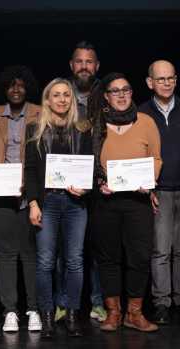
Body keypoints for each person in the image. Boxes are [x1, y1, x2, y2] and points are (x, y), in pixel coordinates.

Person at [88, 72, 162, 332]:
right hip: (104, 202)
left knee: (140, 258)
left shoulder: (147, 122)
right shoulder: (93, 125)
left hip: (137, 201)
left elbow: (155, 158)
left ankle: (134, 313)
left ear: (132, 93)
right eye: (115, 91)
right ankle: (113, 313)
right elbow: (87, 163)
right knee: (108, 259)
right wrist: (98, 183)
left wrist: (148, 180)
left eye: (126, 90)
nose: (121, 95)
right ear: (106, 96)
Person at [24, 78, 93, 338]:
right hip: (47, 202)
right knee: (44, 262)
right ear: (47, 100)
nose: (62, 99)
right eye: (56, 95)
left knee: (75, 260)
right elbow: (30, 171)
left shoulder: (83, 129)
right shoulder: (35, 130)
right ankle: (48, 316)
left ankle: (73, 315)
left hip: (76, 202)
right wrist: (32, 203)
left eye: (66, 95)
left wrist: (86, 187)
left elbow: (89, 165)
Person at [0, 65, 42, 332]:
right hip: (0, 192)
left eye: (21, 85)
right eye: (11, 85)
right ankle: (10, 311)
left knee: (30, 254)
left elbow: (44, 155)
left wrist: (30, 184)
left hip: (31, 193)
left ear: (27, 87)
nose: (16, 90)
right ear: (4, 89)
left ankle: (34, 309)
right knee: (5, 253)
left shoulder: (41, 113)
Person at [137, 60, 180, 324]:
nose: (166, 83)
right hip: (157, 192)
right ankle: (161, 304)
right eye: (160, 79)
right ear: (150, 82)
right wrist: (147, 186)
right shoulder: (139, 112)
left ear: (176, 79)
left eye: (170, 78)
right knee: (160, 251)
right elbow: (136, 153)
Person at [54, 41, 106, 324]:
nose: (83, 66)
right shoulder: (59, 94)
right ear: (71, 65)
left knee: (97, 246)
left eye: (89, 62)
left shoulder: (107, 94)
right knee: (65, 248)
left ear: (96, 67)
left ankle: (98, 303)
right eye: (79, 61)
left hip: (99, 181)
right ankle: (62, 303)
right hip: (66, 182)